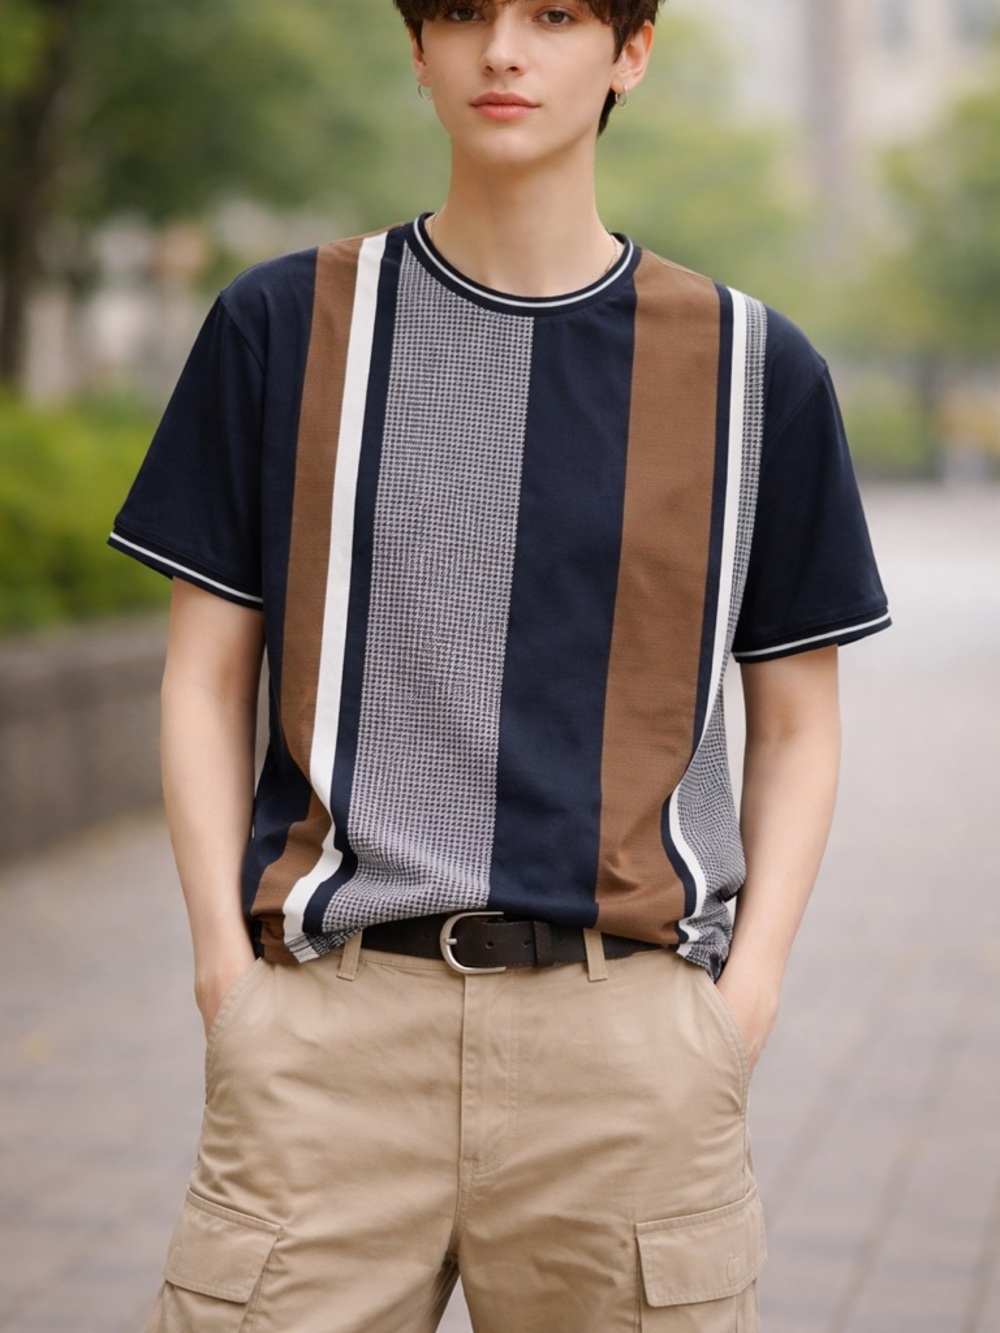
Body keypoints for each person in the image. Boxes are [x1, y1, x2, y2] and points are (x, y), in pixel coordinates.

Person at [110, 1, 890, 1328]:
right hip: (327, 1039)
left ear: (631, 51)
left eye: (556, 14)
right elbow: (202, 675)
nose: (504, 51)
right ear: (417, 49)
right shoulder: (282, 327)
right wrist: (219, 973)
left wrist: (742, 998)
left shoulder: (755, 369)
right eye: (464, 12)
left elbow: (800, 723)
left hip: (627, 1053)